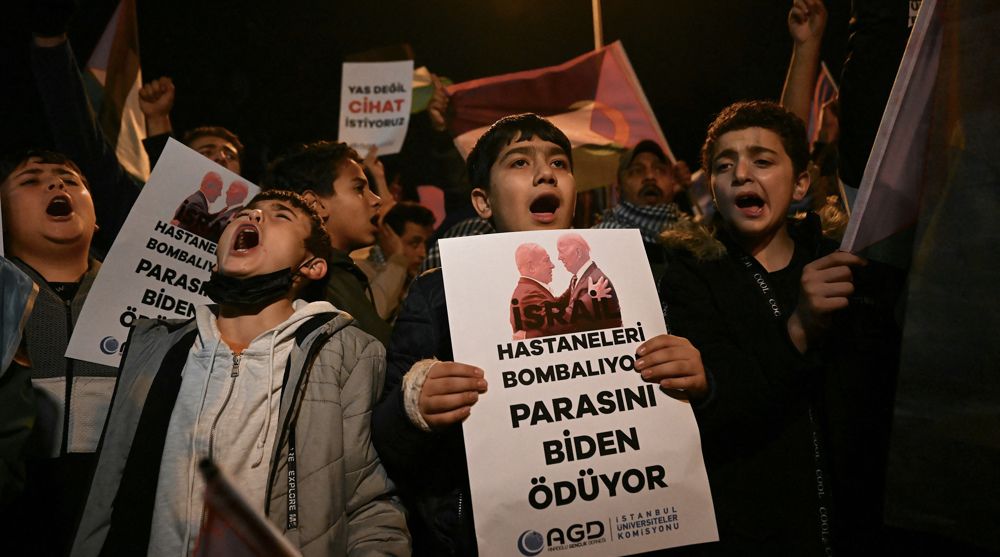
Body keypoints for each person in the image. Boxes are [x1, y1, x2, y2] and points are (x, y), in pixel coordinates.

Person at [372, 113, 707, 556]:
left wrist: (699, 383)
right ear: (482, 201)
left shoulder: (637, 274)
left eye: (559, 164)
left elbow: (690, 423)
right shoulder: (439, 291)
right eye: (519, 163)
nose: (546, 172)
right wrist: (413, 407)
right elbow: (386, 441)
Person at [71, 190, 410, 557]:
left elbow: (368, 501)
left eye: (280, 215)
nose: (255, 217)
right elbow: (107, 491)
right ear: (216, 262)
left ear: (312, 265)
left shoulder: (347, 355)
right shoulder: (154, 349)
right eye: (245, 213)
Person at [659, 101, 900, 554]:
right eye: (724, 165)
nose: (742, 175)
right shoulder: (690, 276)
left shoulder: (841, 261)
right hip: (751, 532)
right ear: (712, 185)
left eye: (763, 161)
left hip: (859, 523)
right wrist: (800, 327)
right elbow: (720, 402)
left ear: (801, 182)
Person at [0, 150, 130, 555]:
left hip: (118, 513)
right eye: (30, 179)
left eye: (70, 179)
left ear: (96, 217)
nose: (56, 184)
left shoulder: (142, 299)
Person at [261, 141, 393, 345]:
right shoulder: (322, 282)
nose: (376, 200)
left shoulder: (333, 273)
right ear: (315, 204)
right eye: (359, 188)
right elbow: (382, 354)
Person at [594, 140, 690, 281]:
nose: (650, 177)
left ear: (672, 184)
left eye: (659, 169)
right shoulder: (600, 242)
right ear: (618, 193)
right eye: (637, 171)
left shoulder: (693, 241)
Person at [354, 201, 436, 323]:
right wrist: (398, 260)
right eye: (414, 243)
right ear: (389, 239)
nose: (423, 253)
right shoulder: (360, 272)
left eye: (426, 244)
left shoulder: (420, 277)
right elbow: (375, 315)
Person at [555, 232, 622, 332]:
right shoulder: (578, 278)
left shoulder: (595, 281)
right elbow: (560, 302)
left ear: (578, 252)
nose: (559, 257)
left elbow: (570, 319)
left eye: (562, 251)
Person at [171, 171, 224, 237]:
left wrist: (221, 213)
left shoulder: (198, 200)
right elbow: (197, 232)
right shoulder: (196, 203)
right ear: (207, 187)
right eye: (219, 189)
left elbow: (205, 218)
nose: (220, 194)